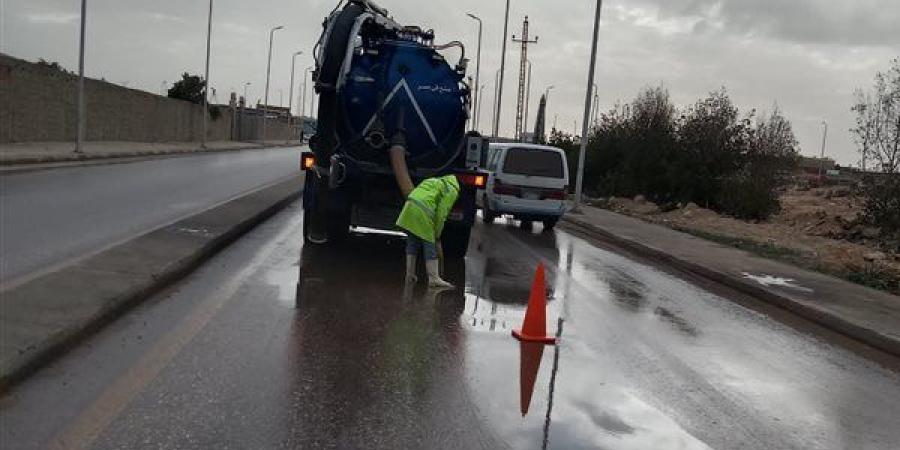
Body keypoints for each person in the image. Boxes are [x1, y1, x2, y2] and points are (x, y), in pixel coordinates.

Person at [396, 174, 460, 288]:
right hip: (423, 212)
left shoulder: (432, 180)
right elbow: (441, 213)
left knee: (412, 242)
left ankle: (409, 274)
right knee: (430, 245)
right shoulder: (452, 190)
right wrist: (437, 233)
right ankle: (434, 278)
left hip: (409, 207)